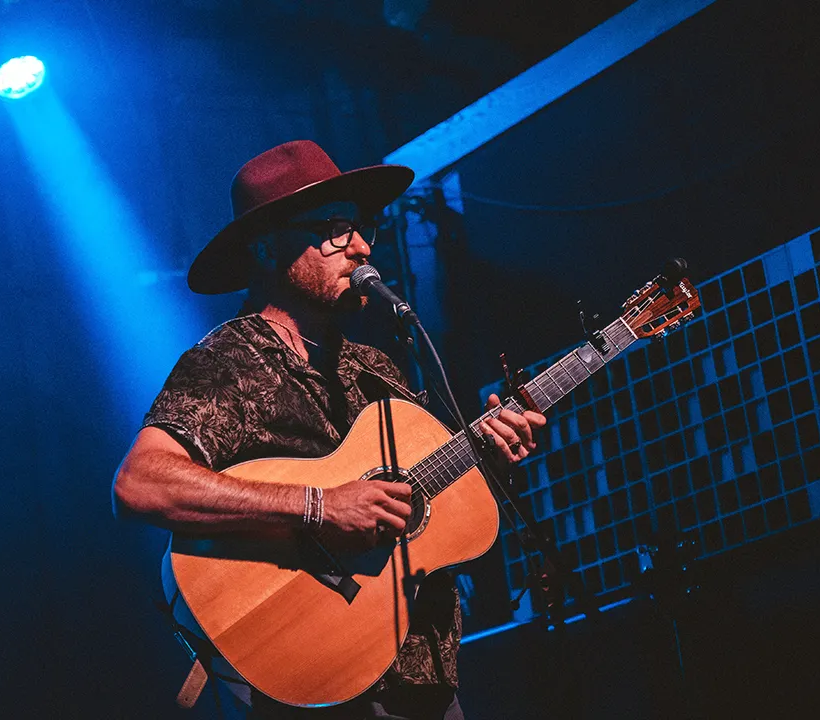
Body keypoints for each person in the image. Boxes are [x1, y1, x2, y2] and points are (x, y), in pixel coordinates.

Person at [113, 140, 545, 719]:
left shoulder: (376, 369)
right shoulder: (232, 361)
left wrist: (489, 451)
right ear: (268, 247)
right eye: (335, 230)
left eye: (360, 228)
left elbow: (422, 500)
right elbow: (142, 484)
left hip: (419, 669)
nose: (362, 247)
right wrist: (320, 506)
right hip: (305, 667)